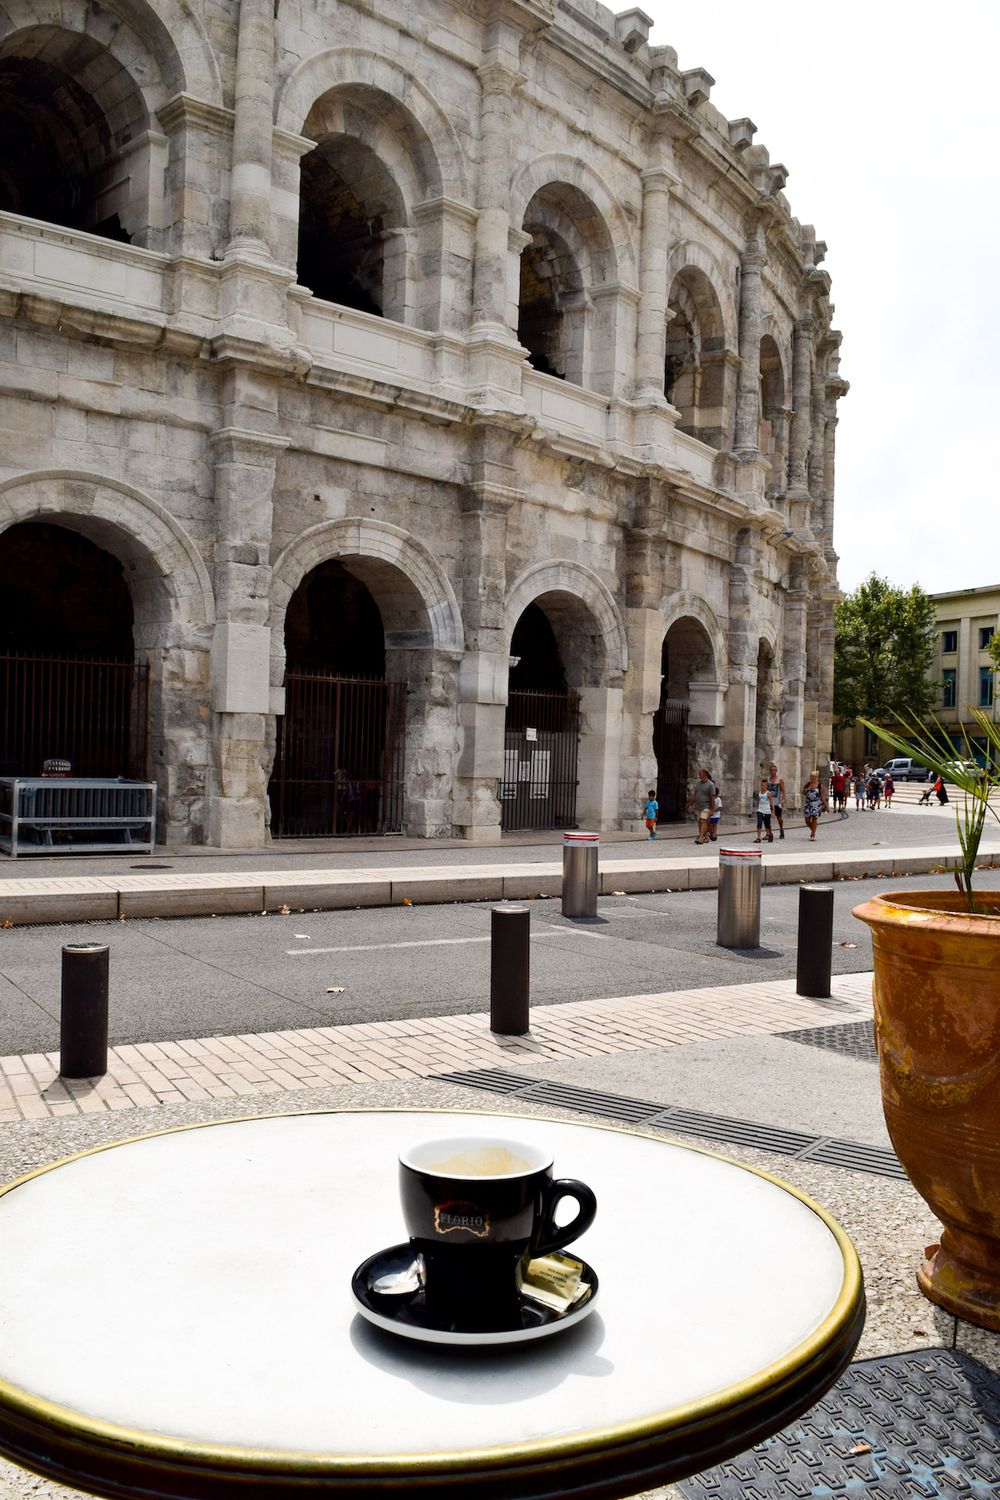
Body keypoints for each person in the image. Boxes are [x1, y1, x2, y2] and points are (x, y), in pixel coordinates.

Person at [687, 767, 718, 845]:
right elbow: (695, 795)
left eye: (700, 774)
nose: (698, 775)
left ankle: (701, 837)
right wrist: (690, 804)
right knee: (699, 822)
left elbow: (712, 798)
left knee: (703, 820)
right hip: (698, 806)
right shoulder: (698, 784)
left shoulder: (710, 785)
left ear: (704, 774)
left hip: (706, 806)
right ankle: (705, 837)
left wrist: (712, 809)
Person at [802, 771, 828, 840]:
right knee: (807, 820)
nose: (811, 778)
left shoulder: (820, 786)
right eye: (810, 776)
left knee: (814, 819)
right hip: (808, 804)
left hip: (816, 804)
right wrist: (806, 790)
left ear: (816, 777)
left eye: (813, 776)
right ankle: (813, 830)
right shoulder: (807, 784)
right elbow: (803, 793)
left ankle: (813, 834)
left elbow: (823, 797)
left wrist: (826, 806)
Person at [766, 764, 786, 839]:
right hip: (769, 802)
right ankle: (768, 832)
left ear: (776, 771)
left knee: (779, 817)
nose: (772, 771)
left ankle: (781, 829)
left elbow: (783, 790)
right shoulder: (768, 779)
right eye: (771, 769)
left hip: (777, 801)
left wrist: (783, 799)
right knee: (767, 817)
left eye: (774, 769)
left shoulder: (780, 780)